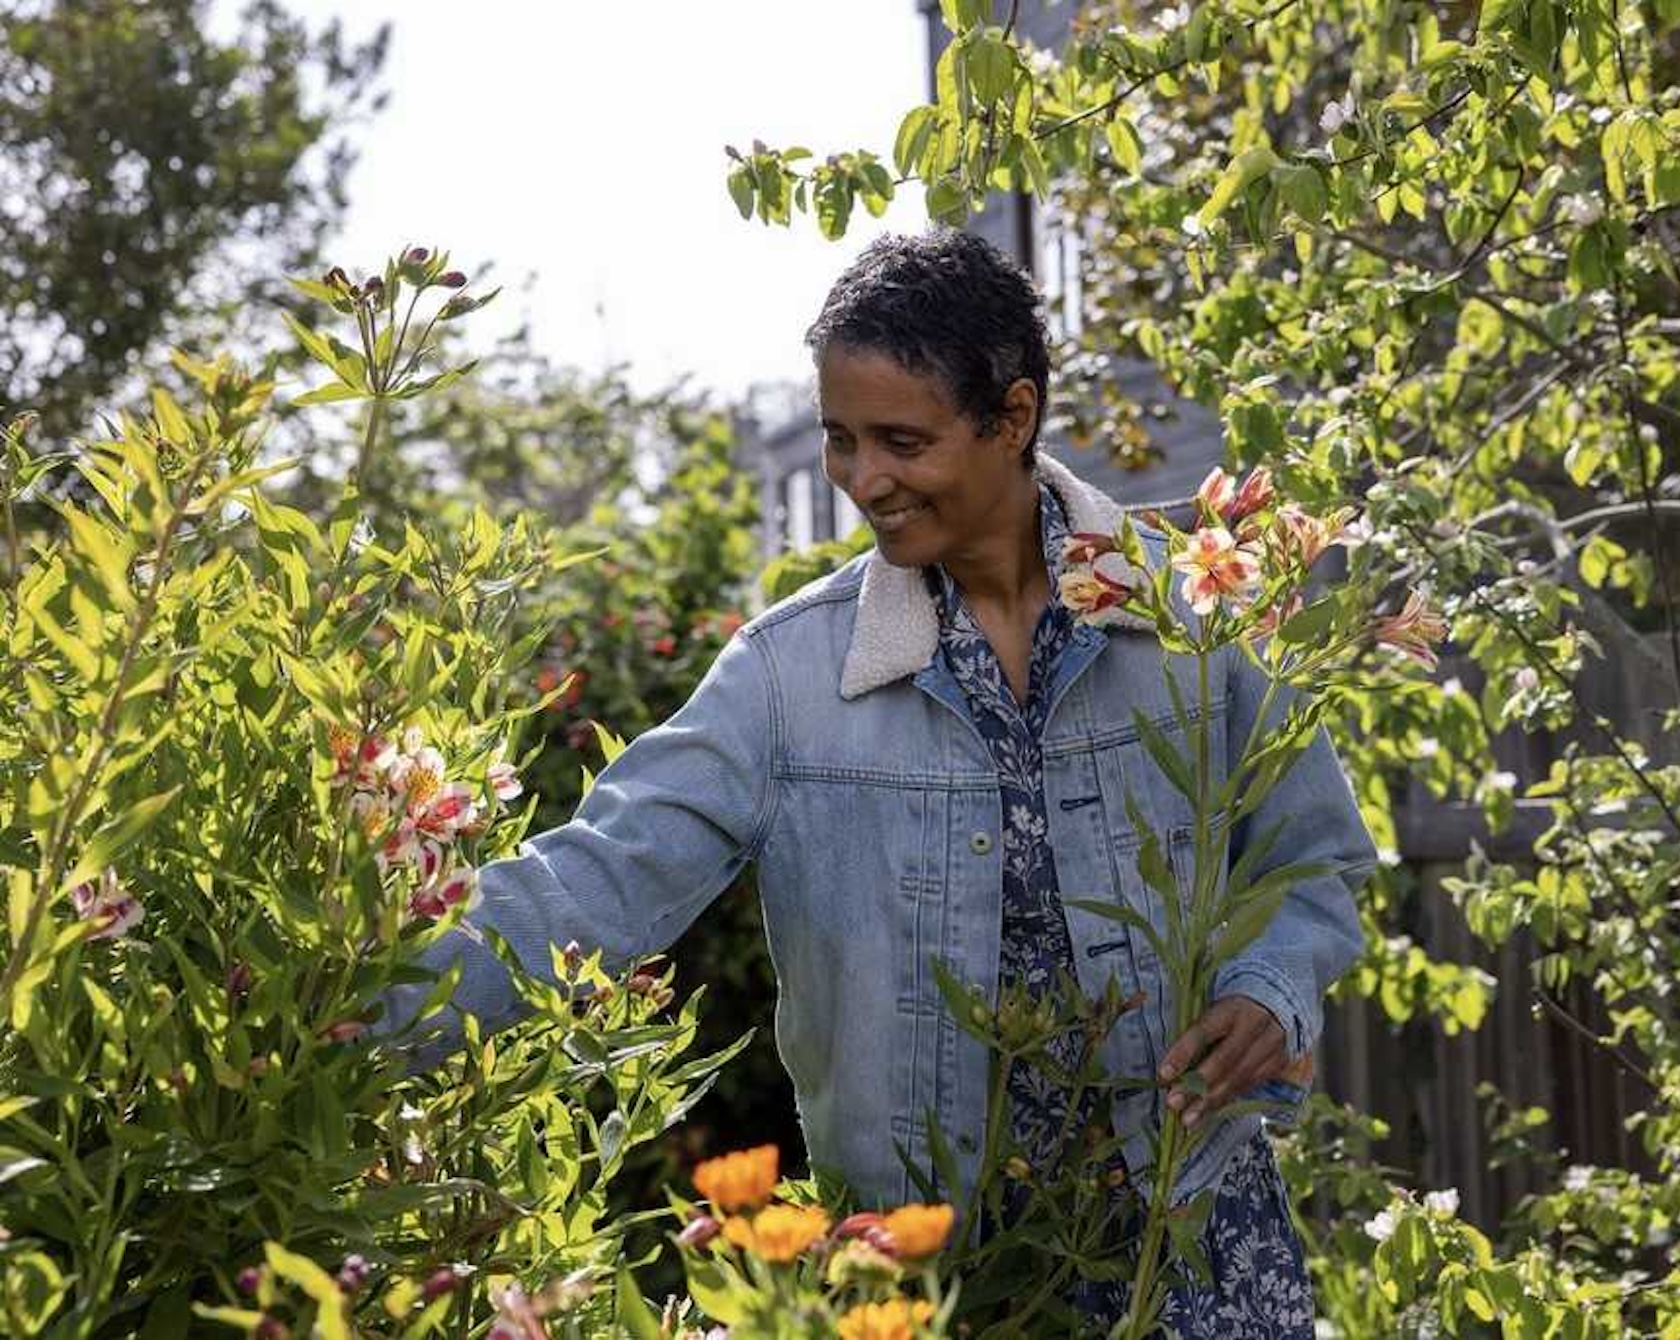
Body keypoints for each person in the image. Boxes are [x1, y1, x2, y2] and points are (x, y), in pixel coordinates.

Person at [384, 229, 1375, 1334]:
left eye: (901, 440)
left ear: (1012, 416)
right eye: (839, 441)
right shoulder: (785, 676)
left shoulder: (1190, 618)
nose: (864, 480)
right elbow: (593, 880)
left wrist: (1266, 988)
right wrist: (351, 996)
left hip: (1189, 1240)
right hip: (935, 1277)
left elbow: (1314, 859)